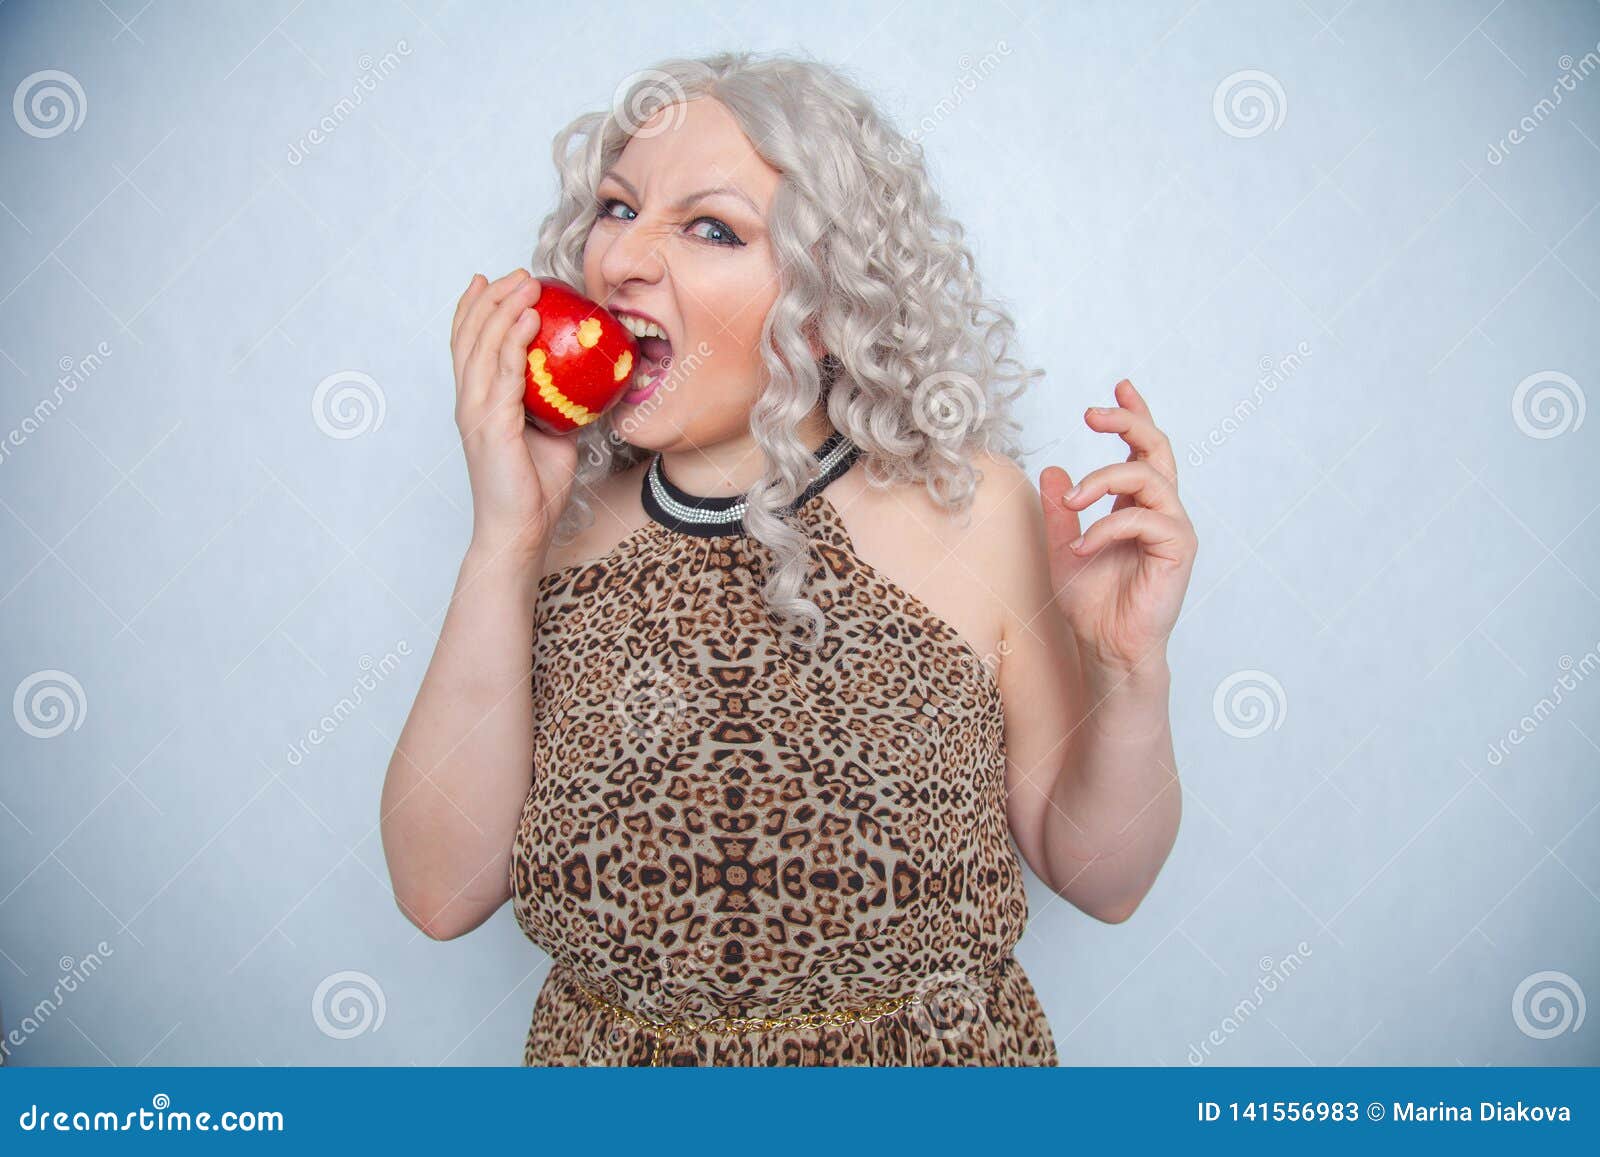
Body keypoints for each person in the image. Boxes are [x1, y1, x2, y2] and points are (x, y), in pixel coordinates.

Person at [379, 50, 1197, 1066]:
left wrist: (1127, 675)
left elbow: (1105, 880)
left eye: (710, 227)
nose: (622, 259)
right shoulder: (555, 529)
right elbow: (438, 891)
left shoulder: (976, 507)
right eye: (617, 208)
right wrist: (503, 538)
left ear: (821, 302)